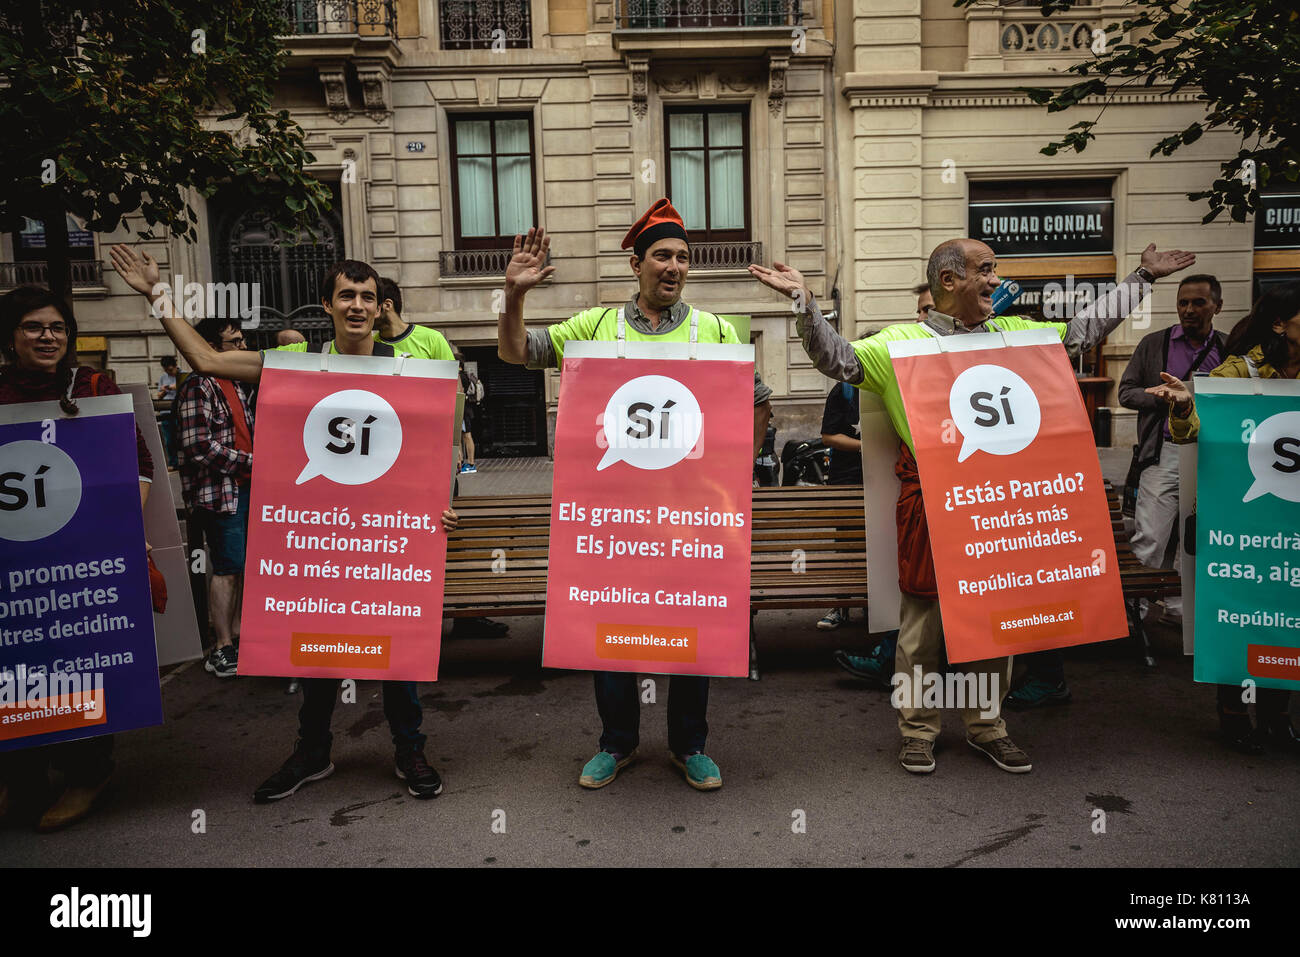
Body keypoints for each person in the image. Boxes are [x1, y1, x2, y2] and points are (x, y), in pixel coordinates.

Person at [756, 239, 1195, 774]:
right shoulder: (901, 344)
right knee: (922, 626)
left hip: (1000, 505)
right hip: (935, 505)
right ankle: (917, 731)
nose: (996, 280)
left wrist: (1142, 279)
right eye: (986, 271)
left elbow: (1081, 335)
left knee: (996, 618)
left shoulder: (1016, 337)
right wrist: (804, 302)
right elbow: (840, 360)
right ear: (948, 280)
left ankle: (988, 726)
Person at [110, 244, 461, 800]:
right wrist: (157, 294)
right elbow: (206, 361)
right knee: (319, 649)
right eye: (346, 295)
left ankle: (409, 747)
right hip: (318, 538)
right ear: (327, 304)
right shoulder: (295, 366)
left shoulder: (410, 372)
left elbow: (434, 452)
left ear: (380, 306)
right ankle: (312, 751)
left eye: (367, 297)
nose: (357, 305)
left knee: (398, 647)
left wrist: (441, 503)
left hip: (385, 541)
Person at [498, 200, 773, 791]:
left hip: (690, 515)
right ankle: (616, 743)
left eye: (682, 257)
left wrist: (740, 478)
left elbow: (757, 401)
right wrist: (514, 295)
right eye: (662, 256)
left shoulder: (717, 330)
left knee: (693, 628)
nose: (673, 267)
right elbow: (517, 353)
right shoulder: (596, 326)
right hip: (615, 518)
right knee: (612, 627)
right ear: (636, 264)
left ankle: (688, 745)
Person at [0, 285, 155, 831]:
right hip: (14, 563)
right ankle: (21, 775)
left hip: (81, 560)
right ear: (11, 335)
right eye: (33, 327)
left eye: (56, 328)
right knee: (19, 666)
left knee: (82, 665)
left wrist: (118, 533)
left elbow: (136, 466)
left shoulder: (92, 386)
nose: (47, 337)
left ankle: (88, 773)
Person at [1146, 280, 1300, 755]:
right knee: (1242, 614)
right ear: (1280, 324)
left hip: (1289, 524)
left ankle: (1277, 715)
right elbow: (1193, 431)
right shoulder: (1242, 370)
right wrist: (1185, 404)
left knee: (1286, 617)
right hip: (1242, 525)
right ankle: (1234, 713)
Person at [374, 277, 508, 641]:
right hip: (383, 468)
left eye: (370, 300)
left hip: (430, 464)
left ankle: (464, 613)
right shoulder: (366, 346)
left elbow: (453, 398)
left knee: (446, 536)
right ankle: (403, 612)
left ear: (385, 305)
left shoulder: (430, 341)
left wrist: (447, 457)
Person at [1120, 274, 1226, 625]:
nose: (1189, 310)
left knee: (1195, 537)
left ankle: (1182, 613)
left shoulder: (1229, 348)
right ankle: (1134, 614)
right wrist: (1162, 397)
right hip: (1163, 451)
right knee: (1150, 532)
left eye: (1199, 302)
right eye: (1183, 303)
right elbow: (1126, 392)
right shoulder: (1155, 344)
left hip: (1211, 456)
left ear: (1217, 307)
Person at [176, 317, 255, 680]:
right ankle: (221, 647)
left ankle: (237, 638)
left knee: (239, 567)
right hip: (220, 492)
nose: (241, 349)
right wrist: (254, 462)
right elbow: (198, 447)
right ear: (210, 346)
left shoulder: (235, 384)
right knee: (226, 567)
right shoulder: (198, 384)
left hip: (244, 486)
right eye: (233, 342)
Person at [458, 358, 483, 475]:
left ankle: (470, 464)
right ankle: (463, 463)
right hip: (465, 410)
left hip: (462, 410)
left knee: (466, 436)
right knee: (461, 436)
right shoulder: (465, 376)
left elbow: (459, 393)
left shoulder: (460, 376)